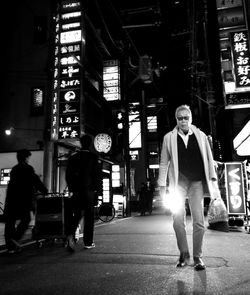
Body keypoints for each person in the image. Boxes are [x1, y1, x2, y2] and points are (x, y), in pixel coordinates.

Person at [158, 105, 218, 271]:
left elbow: (209, 158)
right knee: (178, 220)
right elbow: (164, 163)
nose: (183, 121)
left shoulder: (201, 135)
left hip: (196, 182)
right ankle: (184, 254)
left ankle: (198, 257)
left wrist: (212, 181)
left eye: (186, 117)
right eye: (180, 118)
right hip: (178, 184)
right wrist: (162, 185)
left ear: (190, 119)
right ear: (176, 120)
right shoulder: (168, 138)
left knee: (199, 221)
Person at [4, 149, 48, 254]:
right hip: (23, 200)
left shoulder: (14, 170)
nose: (29, 159)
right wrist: (44, 191)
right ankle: (15, 238)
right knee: (26, 219)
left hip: (11, 200)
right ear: (25, 158)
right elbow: (36, 181)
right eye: (28, 157)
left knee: (10, 222)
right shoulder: (28, 169)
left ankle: (10, 247)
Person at [65, 134, 101, 252]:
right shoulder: (93, 157)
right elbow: (96, 176)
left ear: (80, 143)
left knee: (77, 214)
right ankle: (88, 242)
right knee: (89, 217)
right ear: (90, 144)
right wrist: (96, 190)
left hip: (76, 191)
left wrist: (71, 188)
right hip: (89, 191)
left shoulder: (73, 157)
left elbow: (68, 175)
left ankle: (70, 235)